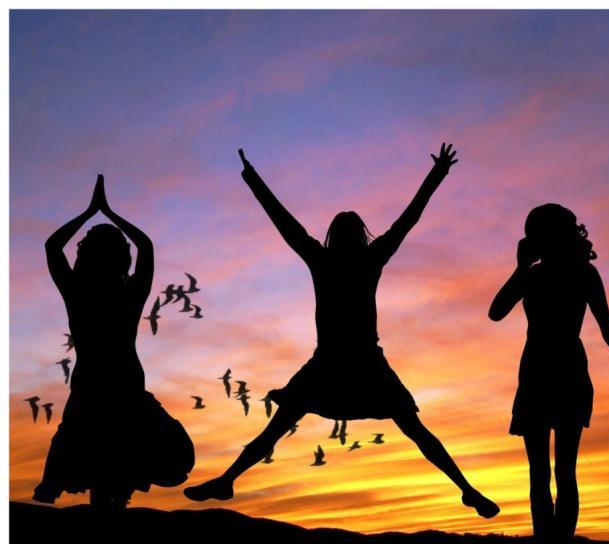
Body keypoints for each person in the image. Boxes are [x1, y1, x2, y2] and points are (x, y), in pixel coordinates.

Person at [184, 144, 499, 519]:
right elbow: (406, 219)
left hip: (346, 363)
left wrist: (251, 178)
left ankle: (228, 479)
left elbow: (285, 222)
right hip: (347, 362)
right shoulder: (364, 258)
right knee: (413, 430)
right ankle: (466, 489)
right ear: (358, 236)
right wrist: (437, 175)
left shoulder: (327, 259)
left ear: (335, 236)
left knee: (283, 427)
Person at [489, 204, 609, 540]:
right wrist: (520, 268)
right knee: (546, 473)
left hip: (561, 372)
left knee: (557, 472)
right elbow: (495, 312)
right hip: (541, 373)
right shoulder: (535, 275)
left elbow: (608, 327)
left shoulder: (581, 274)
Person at [34, 175, 194, 510]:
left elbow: (52, 246)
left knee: (103, 472)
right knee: (114, 475)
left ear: (86, 255)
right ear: (122, 257)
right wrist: (109, 212)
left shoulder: (77, 292)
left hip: (99, 388)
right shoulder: (128, 292)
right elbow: (146, 247)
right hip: (120, 388)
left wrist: (91, 212)